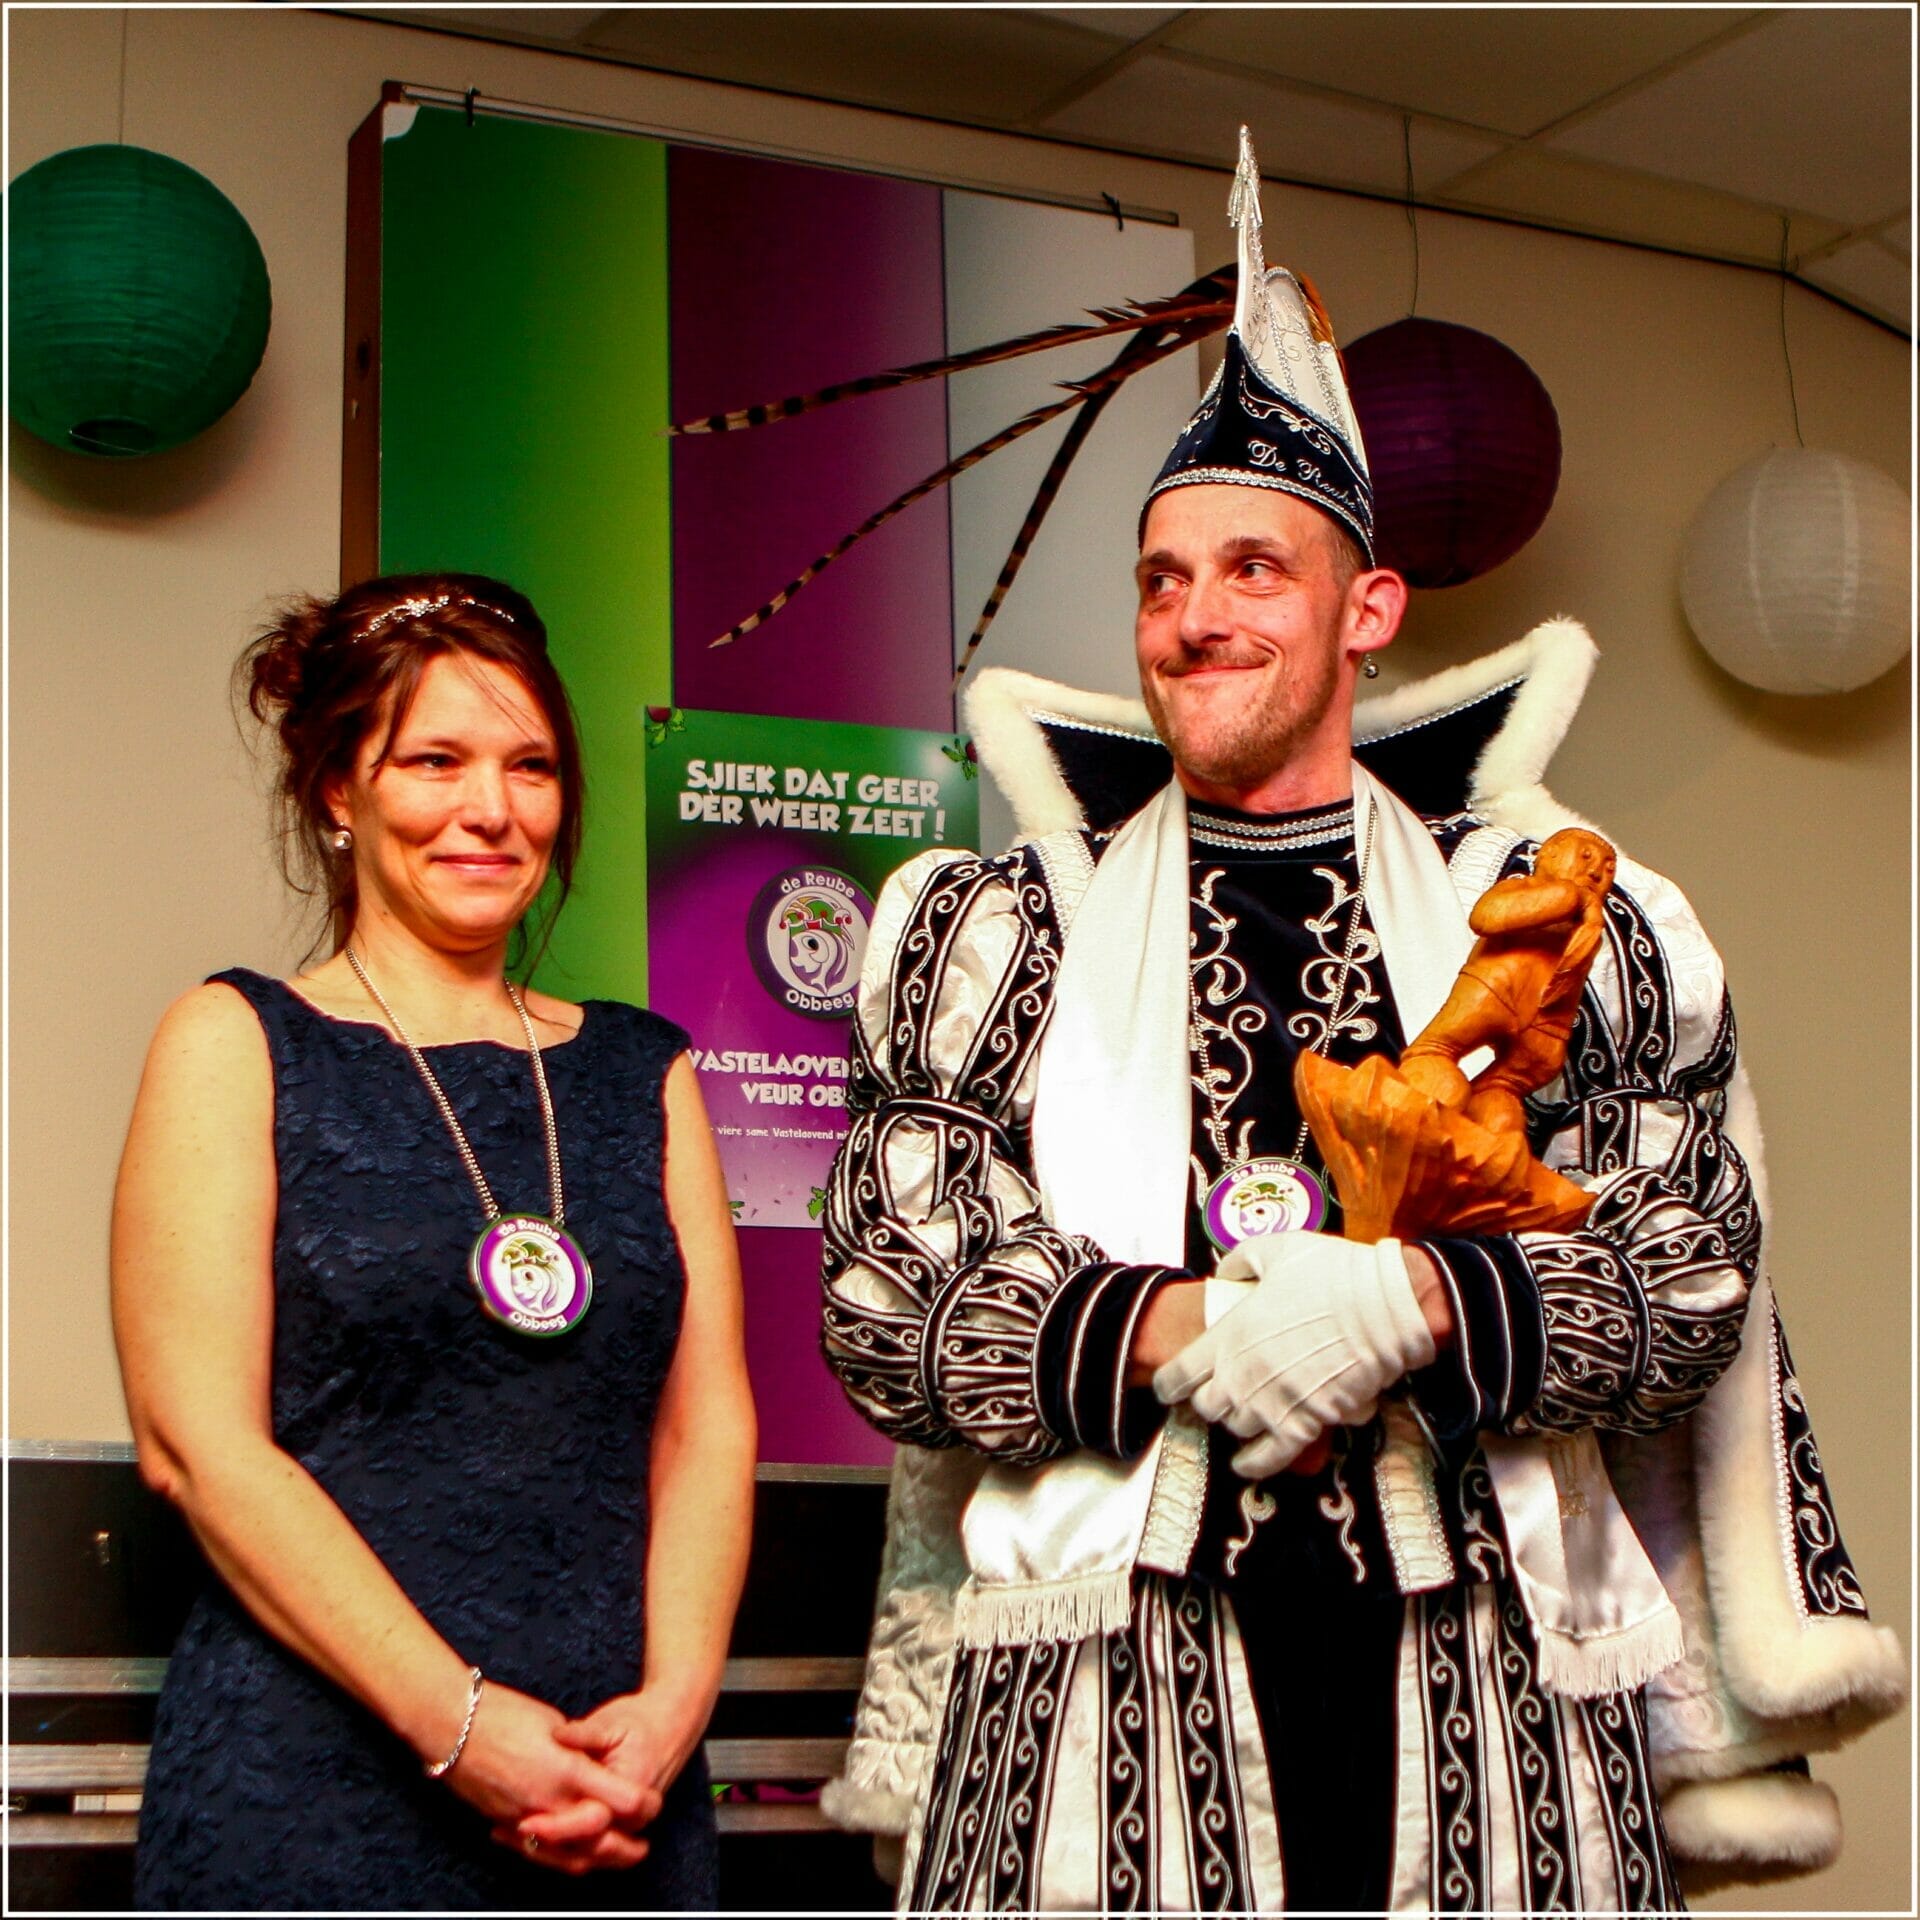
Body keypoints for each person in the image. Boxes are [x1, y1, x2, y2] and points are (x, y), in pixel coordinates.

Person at [817, 133, 1902, 1911]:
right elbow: (890, 1300)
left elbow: (1692, 1266)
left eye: (1253, 569)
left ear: (1367, 611)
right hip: (1087, 1721)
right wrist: (1189, 1332)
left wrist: (1409, 1307)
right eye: (1162, 579)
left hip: (1502, 1704)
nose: (1194, 618)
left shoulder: (1571, 918)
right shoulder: (991, 931)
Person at [113, 572, 757, 1910]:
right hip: (316, 1785)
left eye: (530, 766)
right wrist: (462, 1732)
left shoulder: (645, 1071)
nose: (491, 809)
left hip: (611, 1784)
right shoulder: (236, 1041)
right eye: (434, 761)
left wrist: (671, 1713)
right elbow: (197, 1447)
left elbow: (705, 1429)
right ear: (339, 790)